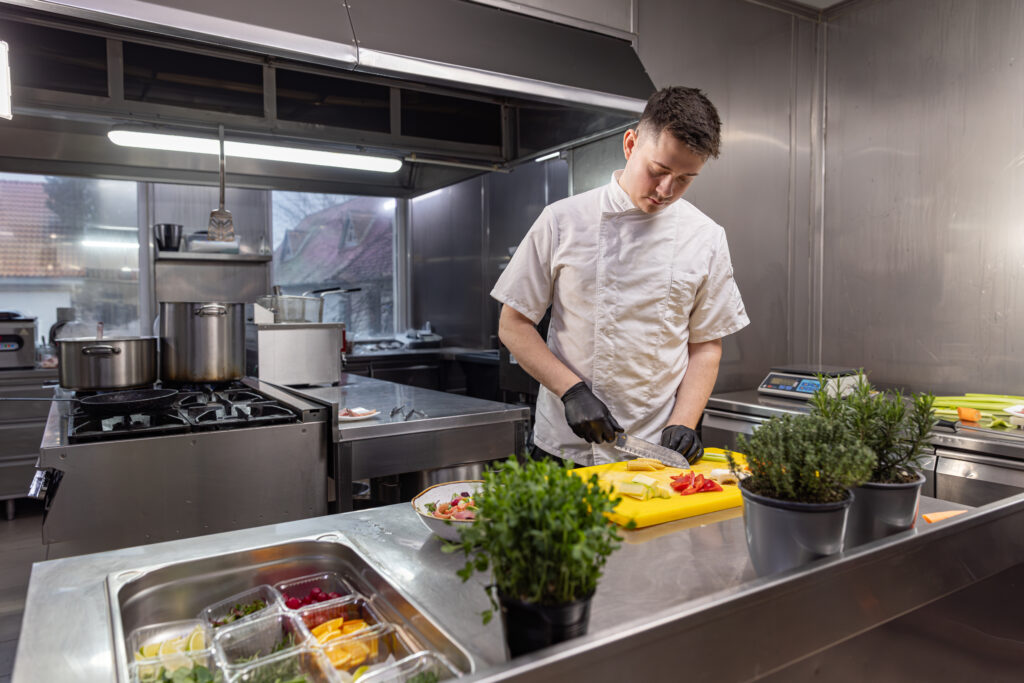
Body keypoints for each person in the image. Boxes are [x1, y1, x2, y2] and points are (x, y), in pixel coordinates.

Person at [491, 86, 749, 467]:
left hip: (654, 448)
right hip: (564, 445)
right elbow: (513, 325)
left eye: (685, 179)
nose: (666, 190)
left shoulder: (706, 237)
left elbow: (706, 345)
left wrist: (684, 421)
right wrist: (571, 391)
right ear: (630, 144)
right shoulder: (562, 220)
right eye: (658, 171)